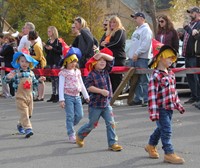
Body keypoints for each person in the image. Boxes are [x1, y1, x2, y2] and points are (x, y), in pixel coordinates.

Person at [145, 39, 185, 164]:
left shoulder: (171, 74)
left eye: (173, 58)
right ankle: (169, 153)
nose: (171, 60)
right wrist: (154, 113)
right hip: (160, 108)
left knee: (161, 128)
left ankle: (151, 145)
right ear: (161, 58)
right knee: (166, 129)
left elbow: (173, 92)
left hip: (169, 107)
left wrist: (178, 104)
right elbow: (152, 96)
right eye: (169, 57)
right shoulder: (155, 76)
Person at [76, 48, 123, 152]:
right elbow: (89, 87)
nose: (103, 62)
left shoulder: (106, 71)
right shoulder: (91, 75)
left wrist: (101, 54)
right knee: (92, 125)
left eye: (104, 60)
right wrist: (101, 91)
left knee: (111, 123)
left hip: (106, 105)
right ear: (93, 63)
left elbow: (112, 59)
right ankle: (80, 135)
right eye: (99, 60)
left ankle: (113, 143)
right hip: (95, 105)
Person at [3, 52, 46, 138]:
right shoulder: (15, 72)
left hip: (30, 96)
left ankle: (20, 124)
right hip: (20, 97)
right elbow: (5, 80)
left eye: (27, 62)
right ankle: (28, 129)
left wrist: (40, 80)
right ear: (18, 62)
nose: (24, 63)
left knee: (29, 114)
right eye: (22, 61)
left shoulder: (31, 73)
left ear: (29, 63)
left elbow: (34, 83)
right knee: (24, 113)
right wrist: (8, 77)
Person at [58, 47, 89, 143]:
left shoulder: (77, 72)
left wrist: (86, 96)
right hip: (68, 96)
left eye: (75, 62)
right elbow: (61, 86)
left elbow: (82, 84)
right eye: (71, 62)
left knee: (80, 115)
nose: (73, 64)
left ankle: (70, 124)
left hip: (77, 96)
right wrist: (61, 99)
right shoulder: (63, 73)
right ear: (66, 62)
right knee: (70, 115)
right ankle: (71, 133)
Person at [128, 12, 153, 107]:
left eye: (136, 17)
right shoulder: (137, 30)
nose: (135, 19)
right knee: (135, 80)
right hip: (134, 58)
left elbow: (145, 44)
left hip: (142, 58)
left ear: (142, 18)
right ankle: (138, 98)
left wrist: (137, 53)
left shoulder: (146, 30)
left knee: (144, 79)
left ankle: (147, 98)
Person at [182, 7, 200, 104]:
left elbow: (195, 36)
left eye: (192, 12)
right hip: (187, 54)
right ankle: (194, 95)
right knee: (189, 76)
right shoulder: (191, 24)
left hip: (194, 54)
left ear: (197, 13)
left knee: (195, 76)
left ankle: (198, 97)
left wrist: (187, 28)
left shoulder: (198, 24)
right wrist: (181, 36)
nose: (190, 15)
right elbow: (188, 36)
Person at [44, 26, 62, 103]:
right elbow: (47, 52)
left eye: (49, 31)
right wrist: (46, 47)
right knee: (52, 79)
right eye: (48, 31)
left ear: (53, 32)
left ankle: (58, 94)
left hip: (56, 61)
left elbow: (60, 52)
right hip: (50, 61)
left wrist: (53, 49)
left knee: (57, 79)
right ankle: (53, 94)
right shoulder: (48, 41)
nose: (48, 33)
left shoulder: (58, 41)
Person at [28, 30, 46, 101]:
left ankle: (41, 96)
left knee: (40, 80)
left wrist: (30, 56)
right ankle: (39, 95)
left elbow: (39, 56)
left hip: (38, 64)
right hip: (34, 64)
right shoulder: (31, 45)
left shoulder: (36, 45)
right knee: (37, 80)